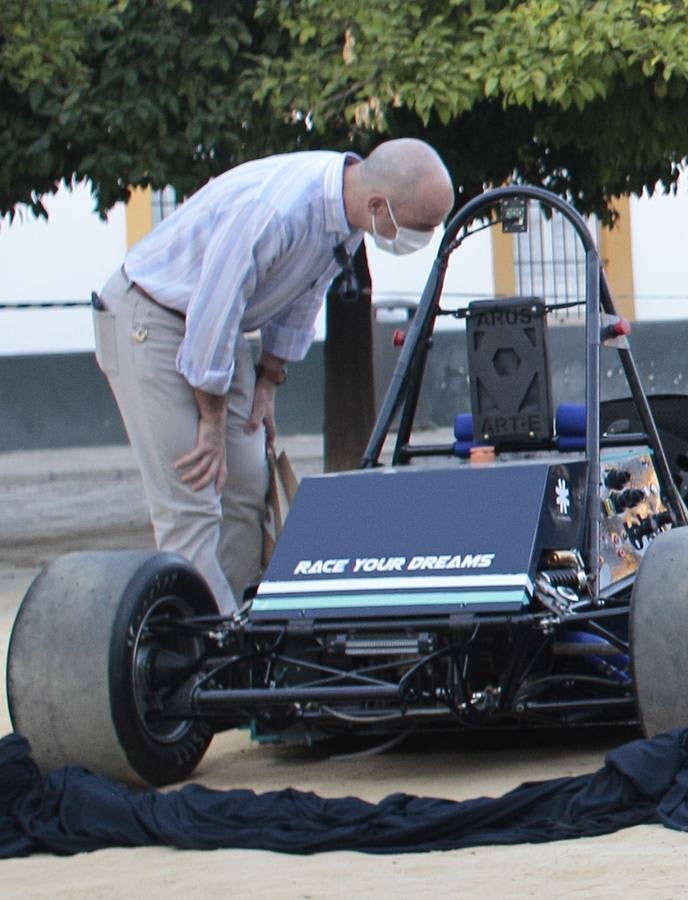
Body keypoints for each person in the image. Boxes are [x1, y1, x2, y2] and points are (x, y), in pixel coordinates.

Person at [92, 139, 455, 613]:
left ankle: (246, 623)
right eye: (419, 226)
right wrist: (212, 419)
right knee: (194, 492)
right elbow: (213, 308)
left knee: (246, 482)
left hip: (219, 330)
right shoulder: (277, 211)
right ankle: (204, 651)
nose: (424, 237)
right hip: (152, 316)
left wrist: (268, 381)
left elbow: (302, 297)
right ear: (377, 204)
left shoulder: (347, 216)